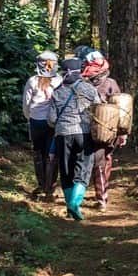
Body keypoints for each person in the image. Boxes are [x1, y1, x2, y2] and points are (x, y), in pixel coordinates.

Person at [47, 56, 100, 221]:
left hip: (62, 135)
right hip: (83, 134)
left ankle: (70, 207)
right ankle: (74, 205)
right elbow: (99, 110)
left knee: (66, 170)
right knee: (83, 168)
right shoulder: (89, 89)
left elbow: (51, 120)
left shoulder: (57, 92)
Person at [82, 50, 126, 211]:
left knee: (98, 162)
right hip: (107, 130)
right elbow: (122, 109)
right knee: (104, 161)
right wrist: (122, 133)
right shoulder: (111, 83)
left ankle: (100, 198)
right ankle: (102, 197)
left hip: (91, 129)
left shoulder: (82, 83)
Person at [23, 50, 62, 201]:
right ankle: (50, 187)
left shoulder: (32, 81)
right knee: (52, 154)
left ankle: (41, 184)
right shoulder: (59, 81)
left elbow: (26, 104)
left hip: (35, 121)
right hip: (53, 123)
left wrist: (30, 117)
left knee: (38, 153)